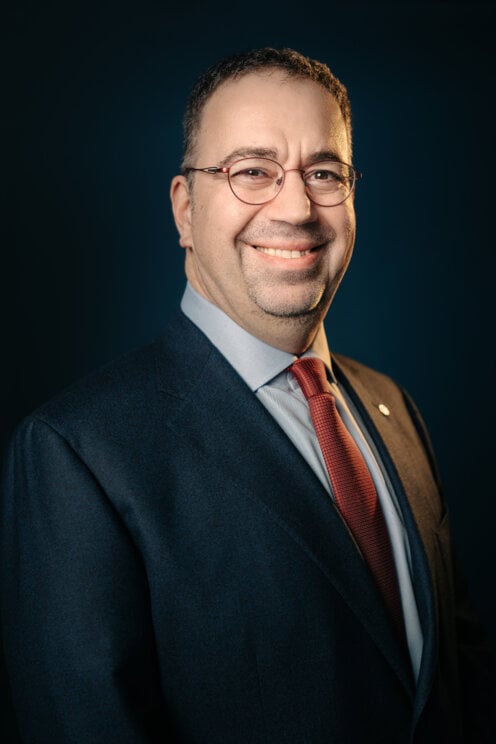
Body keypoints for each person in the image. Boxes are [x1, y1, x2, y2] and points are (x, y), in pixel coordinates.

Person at [1, 47, 494, 744]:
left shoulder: (395, 409)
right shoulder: (77, 455)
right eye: (253, 171)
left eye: (324, 173)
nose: (297, 208)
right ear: (185, 209)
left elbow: (461, 684)